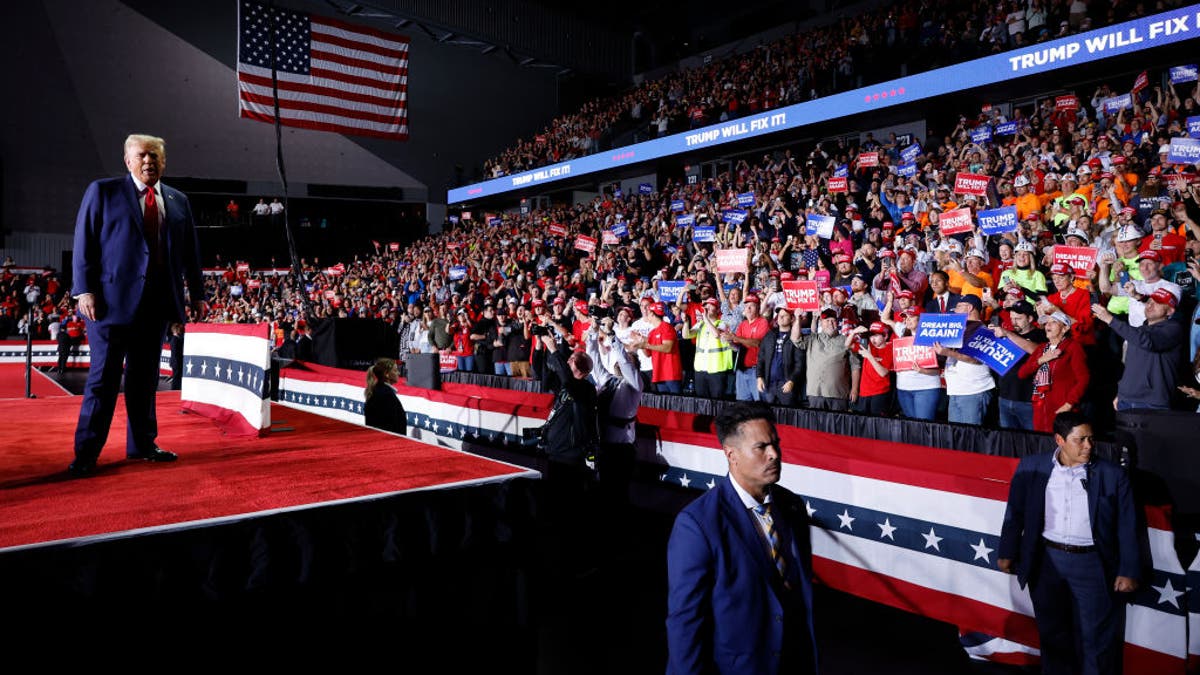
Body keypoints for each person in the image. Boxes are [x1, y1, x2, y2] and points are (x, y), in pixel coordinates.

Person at [69, 134, 203, 477]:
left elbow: (191, 254)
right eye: (142, 156)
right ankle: (86, 453)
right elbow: (84, 242)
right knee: (103, 380)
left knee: (144, 381)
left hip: (155, 307)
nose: (149, 162)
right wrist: (84, 290)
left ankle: (143, 444)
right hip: (108, 307)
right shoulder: (103, 191)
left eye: (155, 156)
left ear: (164, 161)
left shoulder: (178, 201)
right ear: (128, 161)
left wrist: (197, 294)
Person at [666, 402, 817, 675]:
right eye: (761, 447)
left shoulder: (792, 506)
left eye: (775, 444)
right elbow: (686, 623)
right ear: (731, 454)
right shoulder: (697, 525)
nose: (774, 454)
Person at [997, 412, 1140, 675]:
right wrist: (1007, 551)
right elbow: (1015, 512)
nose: (1088, 445)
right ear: (1060, 440)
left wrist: (1128, 570)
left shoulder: (1112, 475)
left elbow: (1128, 525)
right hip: (1046, 562)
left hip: (1092, 565)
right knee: (1053, 635)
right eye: (1080, 439)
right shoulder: (1032, 467)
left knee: (1095, 639)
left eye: (1091, 439)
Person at [1092, 289, 1186, 411]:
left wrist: (1111, 320)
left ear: (1170, 310)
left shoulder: (1173, 329)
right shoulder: (1138, 330)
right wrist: (1121, 392)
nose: (1150, 305)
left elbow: (1147, 342)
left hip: (1153, 402)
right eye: (1149, 302)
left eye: (1158, 302)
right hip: (1126, 400)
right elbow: (1130, 365)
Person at [538, 334, 599, 467]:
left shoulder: (586, 389)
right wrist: (540, 346)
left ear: (580, 368)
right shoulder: (565, 383)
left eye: (571, 359)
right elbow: (540, 375)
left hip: (569, 453)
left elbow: (567, 378)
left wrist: (554, 350)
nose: (567, 361)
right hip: (554, 448)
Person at [363, 357, 407, 435]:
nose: (398, 373)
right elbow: (392, 425)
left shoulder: (377, 390)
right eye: (395, 370)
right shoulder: (386, 395)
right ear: (387, 374)